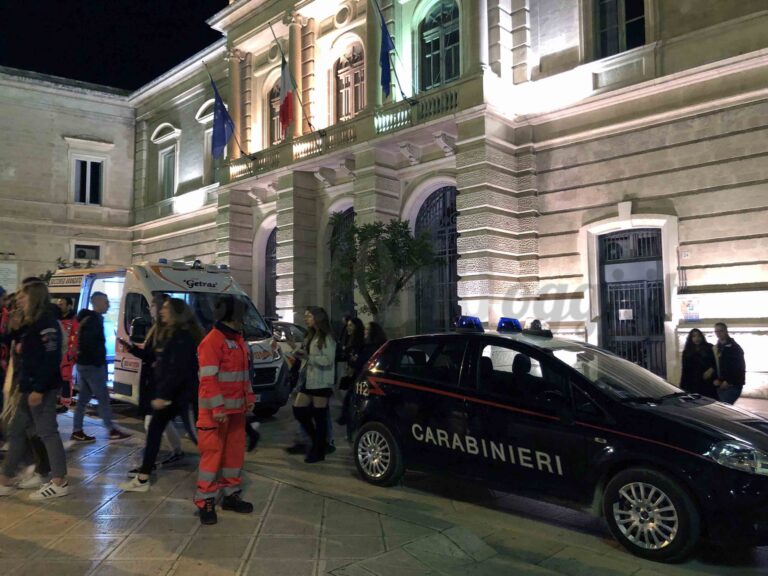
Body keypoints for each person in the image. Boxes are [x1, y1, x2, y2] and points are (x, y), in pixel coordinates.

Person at [119, 298, 203, 492]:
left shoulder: (182, 336)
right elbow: (164, 363)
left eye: (165, 308)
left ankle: (218, 467)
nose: (161, 311)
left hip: (180, 396)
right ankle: (143, 477)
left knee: (197, 434)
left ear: (176, 312)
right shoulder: (171, 333)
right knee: (156, 431)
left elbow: (177, 370)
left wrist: (163, 395)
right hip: (174, 394)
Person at [0, 281, 69, 499]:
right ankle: (7, 477)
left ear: (35, 297)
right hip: (28, 386)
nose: (18, 298)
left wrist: (38, 389)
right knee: (19, 429)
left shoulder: (45, 322)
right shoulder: (30, 322)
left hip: (42, 388)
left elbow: (50, 357)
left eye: (23, 295)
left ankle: (59, 481)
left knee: (47, 432)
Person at [195, 295, 255, 525]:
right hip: (215, 412)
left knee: (233, 454)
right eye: (243, 314)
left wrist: (248, 396)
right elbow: (208, 378)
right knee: (212, 456)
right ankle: (206, 501)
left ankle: (231, 494)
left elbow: (243, 374)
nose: (245, 319)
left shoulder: (237, 339)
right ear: (234, 315)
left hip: (236, 410)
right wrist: (218, 406)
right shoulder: (212, 341)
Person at [71, 291, 130, 442]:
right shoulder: (92, 320)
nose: (108, 304)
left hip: (84, 364)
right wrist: (98, 363)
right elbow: (90, 344)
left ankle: (77, 430)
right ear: (97, 303)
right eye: (106, 302)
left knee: (83, 399)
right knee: (103, 398)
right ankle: (111, 430)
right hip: (92, 366)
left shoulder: (88, 319)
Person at [290, 307, 336, 464]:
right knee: (298, 410)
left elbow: (328, 360)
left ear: (318, 317)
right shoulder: (310, 335)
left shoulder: (326, 338)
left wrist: (309, 357)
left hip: (321, 381)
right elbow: (306, 355)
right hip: (308, 380)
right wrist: (296, 351)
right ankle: (318, 441)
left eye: (309, 316)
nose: (306, 319)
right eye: (305, 316)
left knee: (320, 416)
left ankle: (318, 450)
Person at [336, 317, 365, 426]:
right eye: (347, 325)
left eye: (350, 325)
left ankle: (348, 419)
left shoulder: (360, 341)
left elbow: (357, 356)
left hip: (359, 373)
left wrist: (352, 365)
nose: (348, 328)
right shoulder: (349, 338)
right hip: (352, 371)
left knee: (351, 397)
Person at [679, 328, 717, 399]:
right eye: (694, 336)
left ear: (702, 337)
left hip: (707, 383)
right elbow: (685, 370)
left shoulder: (709, 348)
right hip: (693, 383)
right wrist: (682, 387)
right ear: (690, 338)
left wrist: (711, 369)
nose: (696, 338)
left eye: (698, 336)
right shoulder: (687, 352)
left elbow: (716, 363)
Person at [713, 322, 746, 405]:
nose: (718, 334)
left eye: (721, 331)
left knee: (723, 409)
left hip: (732, 386)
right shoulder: (716, 348)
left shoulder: (735, 348)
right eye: (716, 331)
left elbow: (740, 368)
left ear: (726, 331)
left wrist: (729, 381)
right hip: (720, 385)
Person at [56, 297, 78, 413]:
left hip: (67, 355)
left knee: (66, 379)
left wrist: (71, 353)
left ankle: (65, 403)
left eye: (62, 304)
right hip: (57, 354)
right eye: (58, 304)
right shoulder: (57, 319)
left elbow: (76, 338)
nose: (59, 306)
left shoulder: (74, 320)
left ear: (69, 306)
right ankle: (59, 400)